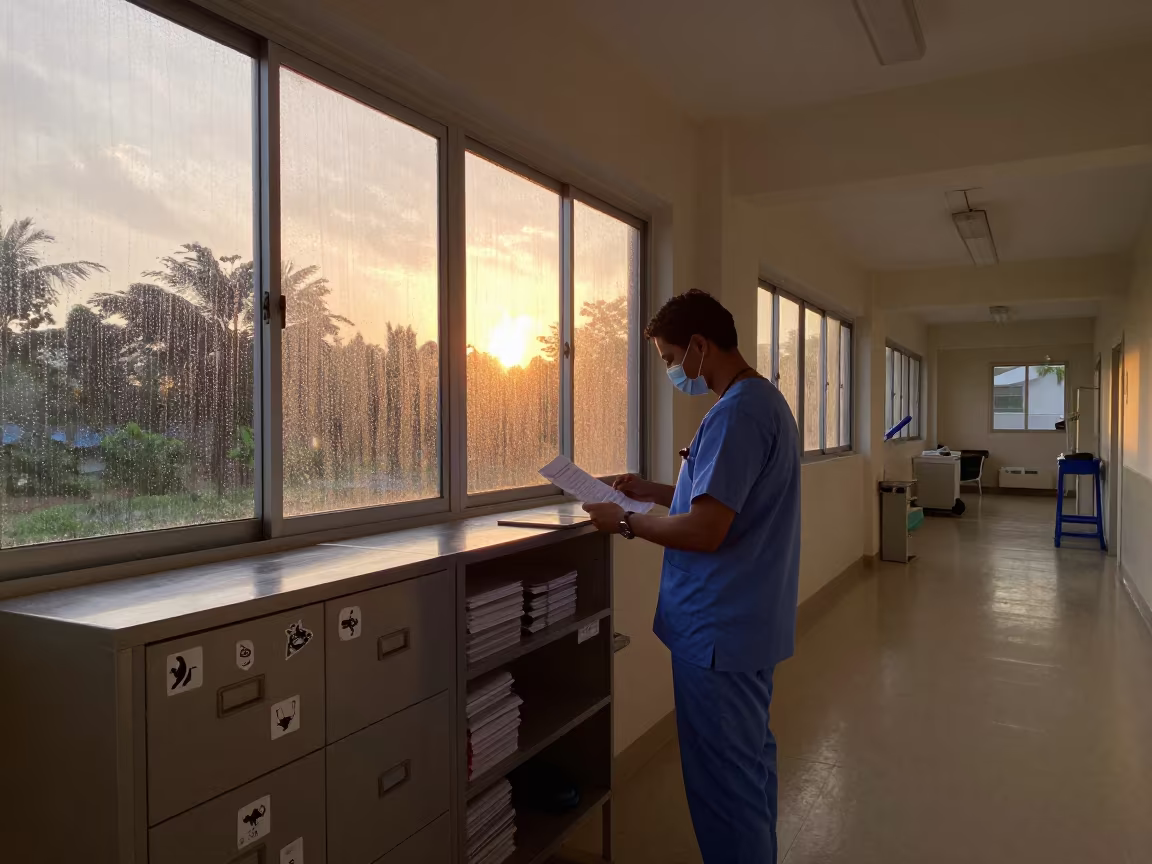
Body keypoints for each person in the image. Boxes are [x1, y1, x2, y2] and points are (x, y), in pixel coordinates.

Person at [582, 289, 801, 864]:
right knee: (747, 765)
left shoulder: (737, 413)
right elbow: (722, 499)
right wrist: (649, 491)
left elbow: (706, 530)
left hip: (717, 632)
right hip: (746, 622)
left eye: (671, 358)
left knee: (724, 785)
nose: (673, 371)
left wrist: (627, 522)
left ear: (701, 346)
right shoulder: (761, 401)